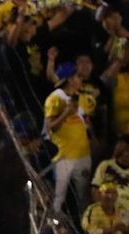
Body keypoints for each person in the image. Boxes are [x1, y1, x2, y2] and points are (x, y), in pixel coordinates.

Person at [45, 62, 91, 213]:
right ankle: (54, 225)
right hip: (63, 157)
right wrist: (66, 113)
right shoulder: (55, 98)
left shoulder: (80, 97)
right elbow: (50, 126)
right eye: (78, 76)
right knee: (58, 198)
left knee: (84, 198)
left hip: (83, 155)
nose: (81, 80)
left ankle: (85, 227)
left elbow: (86, 122)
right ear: (70, 79)